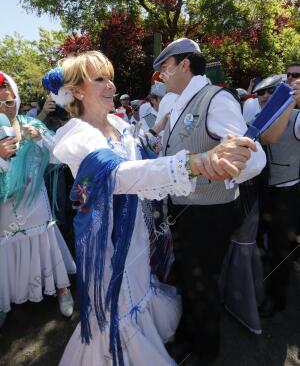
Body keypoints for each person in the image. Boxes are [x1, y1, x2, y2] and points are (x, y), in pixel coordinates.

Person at [41, 50, 257, 366]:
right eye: (99, 79)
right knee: (121, 305)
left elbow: (142, 158)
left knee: (141, 293)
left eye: (110, 78)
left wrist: (181, 147)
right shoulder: (77, 138)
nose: (111, 86)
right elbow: (119, 175)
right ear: (75, 91)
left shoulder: (118, 123)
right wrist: (195, 163)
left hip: (139, 236)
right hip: (110, 246)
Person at [153, 38, 266, 364]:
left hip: (208, 213)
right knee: (189, 279)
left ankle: (205, 351)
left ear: (184, 65)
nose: (162, 76)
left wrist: (222, 172)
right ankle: (190, 335)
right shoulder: (178, 103)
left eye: (165, 69)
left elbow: (253, 159)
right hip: (185, 210)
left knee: (202, 284)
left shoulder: (216, 100)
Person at [0, 71, 76, 329]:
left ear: (17, 100)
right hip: (6, 211)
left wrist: (42, 139)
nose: (4, 107)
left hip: (36, 207)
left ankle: (63, 289)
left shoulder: (33, 124)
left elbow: (60, 157)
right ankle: (5, 300)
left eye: (8, 101)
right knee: (7, 248)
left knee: (46, 242)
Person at [252, 73, 300, 317]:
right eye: (260, 93)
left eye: (269, 92)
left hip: (288, 191)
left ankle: (276, 299)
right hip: (265, 190)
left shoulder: (297, 117)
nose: (263, 97)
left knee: (279, 248)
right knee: (266, 242)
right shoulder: (259, 119)